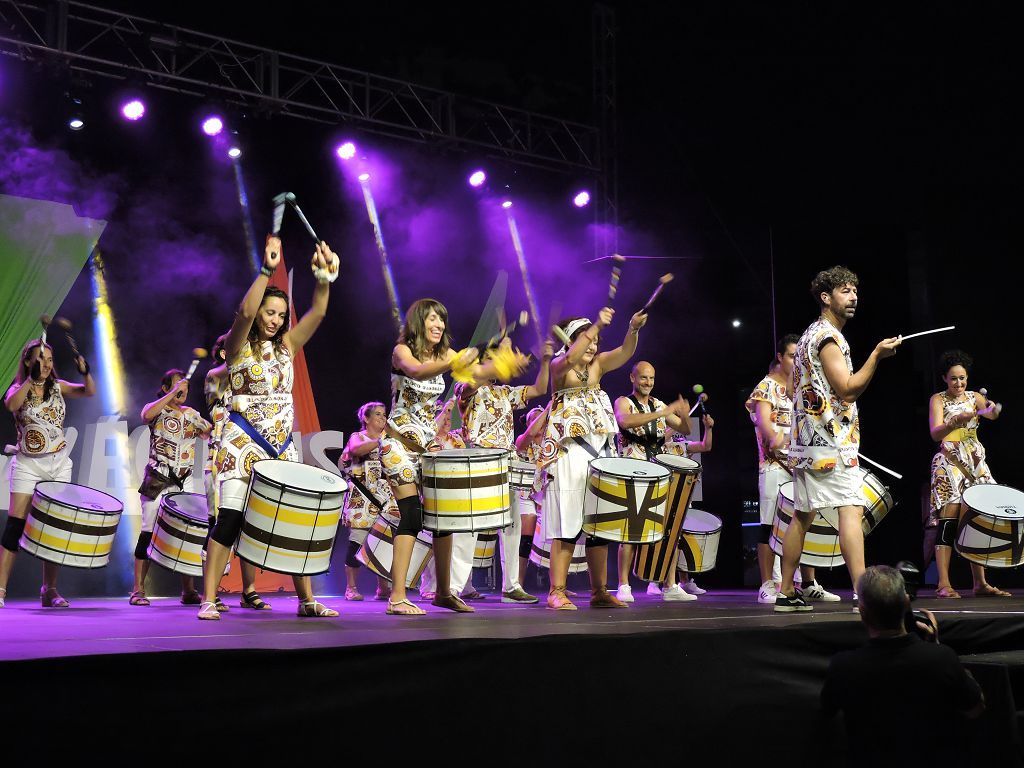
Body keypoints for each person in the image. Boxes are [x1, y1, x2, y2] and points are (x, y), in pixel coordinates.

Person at [198, 234, 340, 620]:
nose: (276, 320)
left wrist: (324, 279)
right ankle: (210, 599)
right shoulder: (236, 348)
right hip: (242, 445)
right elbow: (243, 315)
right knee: (229, 521)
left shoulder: (287, 347)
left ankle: (307, 600)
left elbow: (318, 313)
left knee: (294, 525)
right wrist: (265, 269)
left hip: (280, 448)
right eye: (270, 312)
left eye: (281, 314)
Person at [776, 266, 901, 613]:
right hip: (831, 444)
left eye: (855, 291)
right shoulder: (828, 338)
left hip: (806, 445)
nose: (854, 297)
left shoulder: (805, 337)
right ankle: (863, 594)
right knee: (851, 509)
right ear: (825, 297)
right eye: (846, 291)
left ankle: (786, 591)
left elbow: (791, 389)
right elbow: (848, 389)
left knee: (802, 515)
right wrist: (876, 356)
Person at [378, 298, 501, 615]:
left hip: (428, 449)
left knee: (443, 520)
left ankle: (444, 592)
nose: (439, 325)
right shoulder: (402, 351)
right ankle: (397, 597)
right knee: (411, 515)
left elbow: (473, 374)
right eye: (433, 319)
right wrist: (456, 362)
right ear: (419, 321)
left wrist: (501, 366)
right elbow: (417, 372)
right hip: (397, 445)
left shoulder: (447, 354)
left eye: (442, 320)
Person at [538, 306, 647, 610]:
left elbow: (625, 352)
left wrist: (633, 328)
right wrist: (597, 324)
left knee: (600, 523)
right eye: (589, 340)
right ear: (572, 342)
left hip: (601, 452)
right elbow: (572, 357)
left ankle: (598, 591)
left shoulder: (597, 366)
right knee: (569, 523)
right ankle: (556, 590)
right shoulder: (561, 367)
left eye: (597, 341)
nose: (594, 346)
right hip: (570, 452)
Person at [821, 565, 984, 765]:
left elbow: (825, 719)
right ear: (907, 602)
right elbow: (975, 708)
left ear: (862, 612)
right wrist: (936, 647)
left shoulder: (843, 667)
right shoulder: (941, 659)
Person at [447, 337, 552, 604]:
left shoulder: (505, 392)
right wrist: (503, 361)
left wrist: (546, 361)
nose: (506, 356)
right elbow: (473, 381)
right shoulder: (468, 387)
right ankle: (454, 588)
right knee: (469, 526)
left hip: (507, 461)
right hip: (480, 457)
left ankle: (511, 586)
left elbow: (540, 388)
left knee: (512, 525)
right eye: (499, 354)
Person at [746, 335, 840, 605]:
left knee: (805, 523)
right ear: (780, 357)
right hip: (775, 466)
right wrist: (775, 436)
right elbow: (764, 424)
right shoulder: (766, 387)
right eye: (791, 356)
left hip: (802, 465)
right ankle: (767, 583)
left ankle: (808, 583)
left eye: (798, 356)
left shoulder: (802, 387)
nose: (795, 360)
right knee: (769, 525)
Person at [0, 338, 95, 608]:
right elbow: (11, 405)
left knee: (53, 527)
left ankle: (49, 590)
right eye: (40, 359)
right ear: (29, 361)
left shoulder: (57, 387)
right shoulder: (19, 389)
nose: (46, 364)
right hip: (29, 464)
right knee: (15, 527)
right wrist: (30, 380)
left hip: (58, 462)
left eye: (50, 360)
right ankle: (0, 589)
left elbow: (88, 391)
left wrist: (86, 372)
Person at [612, 360, 695, 602]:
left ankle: (669, 585)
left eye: (651, 379)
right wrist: (663, 413)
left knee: (666, 529)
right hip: (632, 470)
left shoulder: (659, 403)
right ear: (632, 378)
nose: (647, 383)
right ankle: (624, 585)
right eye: (643, 378)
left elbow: (686, 429)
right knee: (631, 529)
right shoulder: (624, 401)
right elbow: (624, 421)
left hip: (659, 471)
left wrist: (684, 412)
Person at [928, 350, 1006, 598]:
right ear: (944, 378)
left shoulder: (974, 397)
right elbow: (935, 433)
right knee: (948, 521)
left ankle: (980, 583)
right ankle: (943, 584)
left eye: (962, 378)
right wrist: (953, 422)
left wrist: (993, 409)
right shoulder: (938, 400)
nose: (959, 383)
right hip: (949, 461)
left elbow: (991, 414)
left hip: (974, 461)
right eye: (953, 379)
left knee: (977, 520)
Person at [130, 368, 212, 606]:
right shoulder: (157, 409)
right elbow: (146, 415)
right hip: (158, 478)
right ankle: (138, 590)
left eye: (184, 387)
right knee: (148, 532)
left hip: (183, 480)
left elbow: (208, 432)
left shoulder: (191, 414)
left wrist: (207, 426)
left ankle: (188, 590)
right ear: (166, 388)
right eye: (176, 386)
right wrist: (172, 394)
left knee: (186, 534)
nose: (181, 391)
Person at [203, 333, 264, 612]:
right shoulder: (215, 378)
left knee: (250, 524)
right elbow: (222, 372)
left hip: (252, 455)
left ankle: (248, 589)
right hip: (222, 458)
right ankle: (211, 593)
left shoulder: (250, 381)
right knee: (223, 522)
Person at [338, 401, 398, 601]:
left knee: (386, 542)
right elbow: (357, 450)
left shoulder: (389, 441)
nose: (383, 418)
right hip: (362, 498)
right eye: (378, 414)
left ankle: (383, 587)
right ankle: (351, 587)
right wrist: (383, 439)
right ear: (366, 418)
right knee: (357, 541)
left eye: (384, 414)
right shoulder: (358, 437)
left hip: (386, 498)